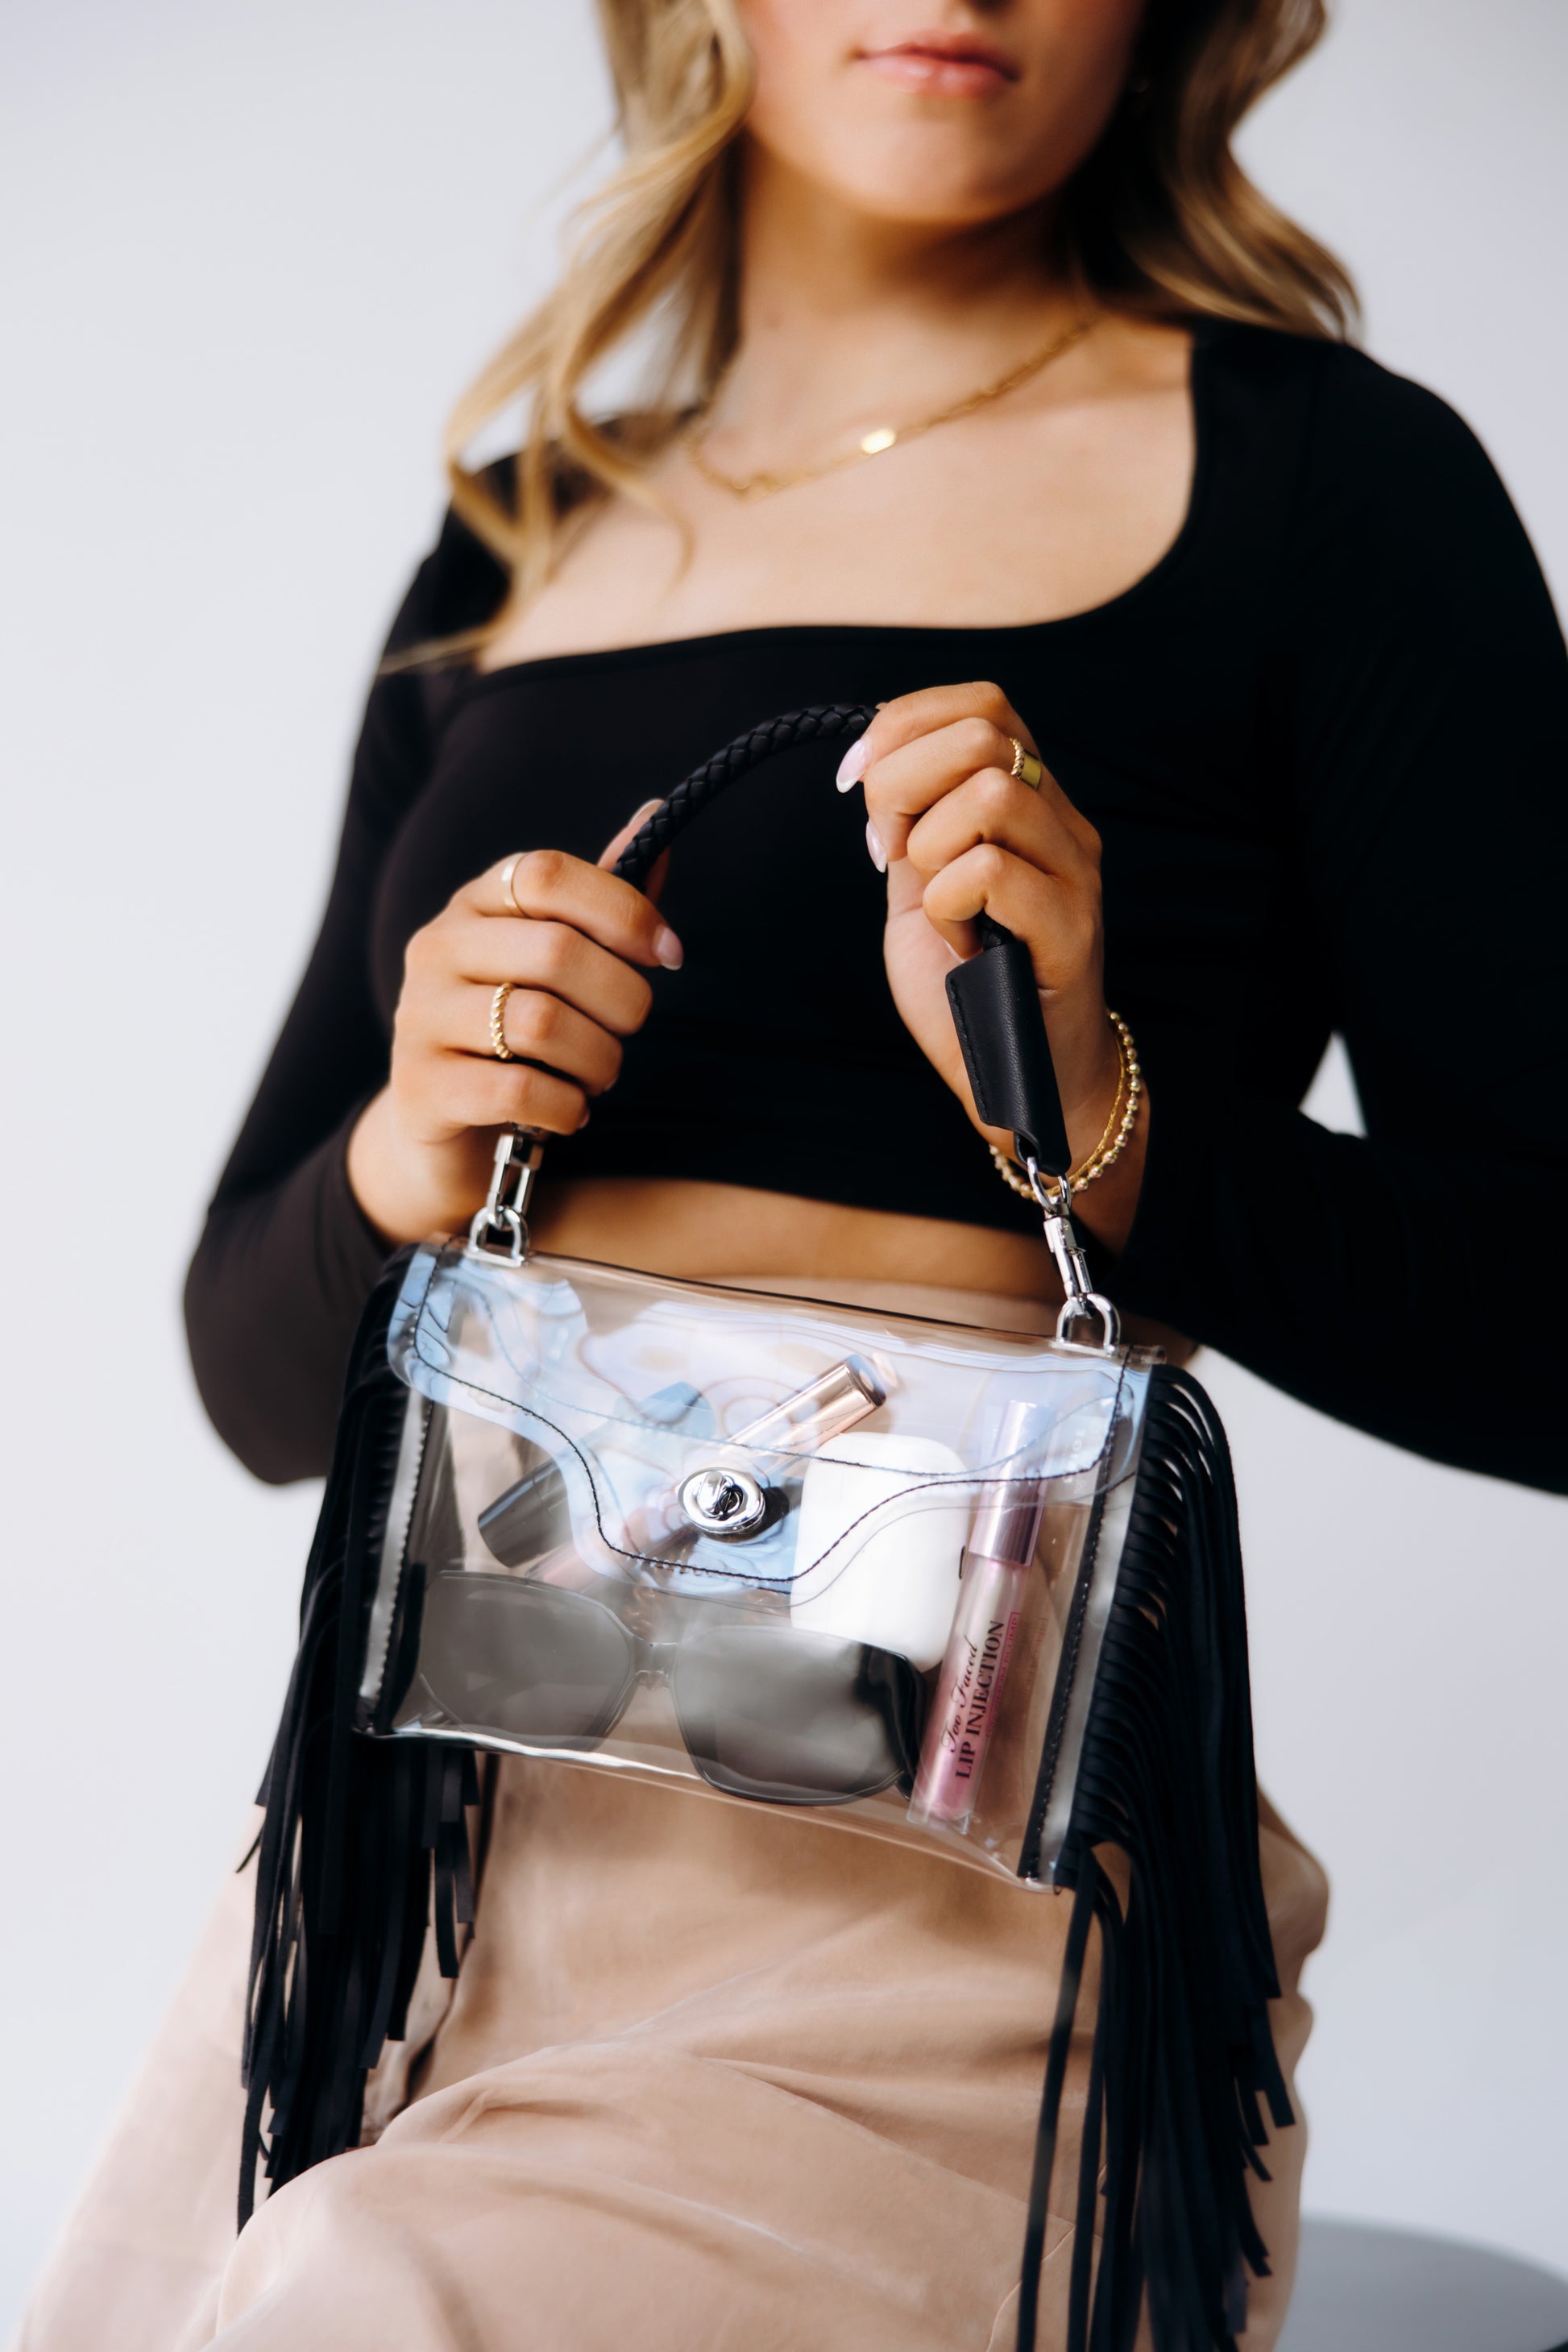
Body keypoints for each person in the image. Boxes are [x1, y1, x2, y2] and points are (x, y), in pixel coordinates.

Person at [20, 2, 1568, 2348]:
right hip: (413, 1870)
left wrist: (1094, 1114)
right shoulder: (514, 534)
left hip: (945, 1881)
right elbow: (251, 1375)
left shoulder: (1328, 490)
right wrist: (411, 1150)